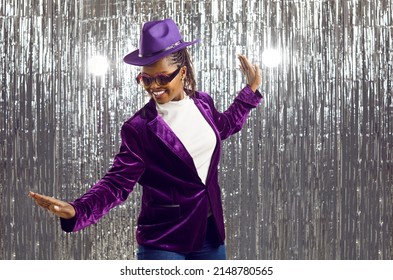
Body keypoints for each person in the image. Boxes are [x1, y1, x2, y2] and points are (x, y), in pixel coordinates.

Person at [29, 18, 262, 260]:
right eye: (146, 79)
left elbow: (223, 127)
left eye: (162, 78)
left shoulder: (202, 103)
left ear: (182, 72)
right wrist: (78, 211)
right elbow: (117, 184)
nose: (154, 86)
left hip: (210, 236)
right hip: (164, 241)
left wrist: (250, 91)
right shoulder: (139, 128)